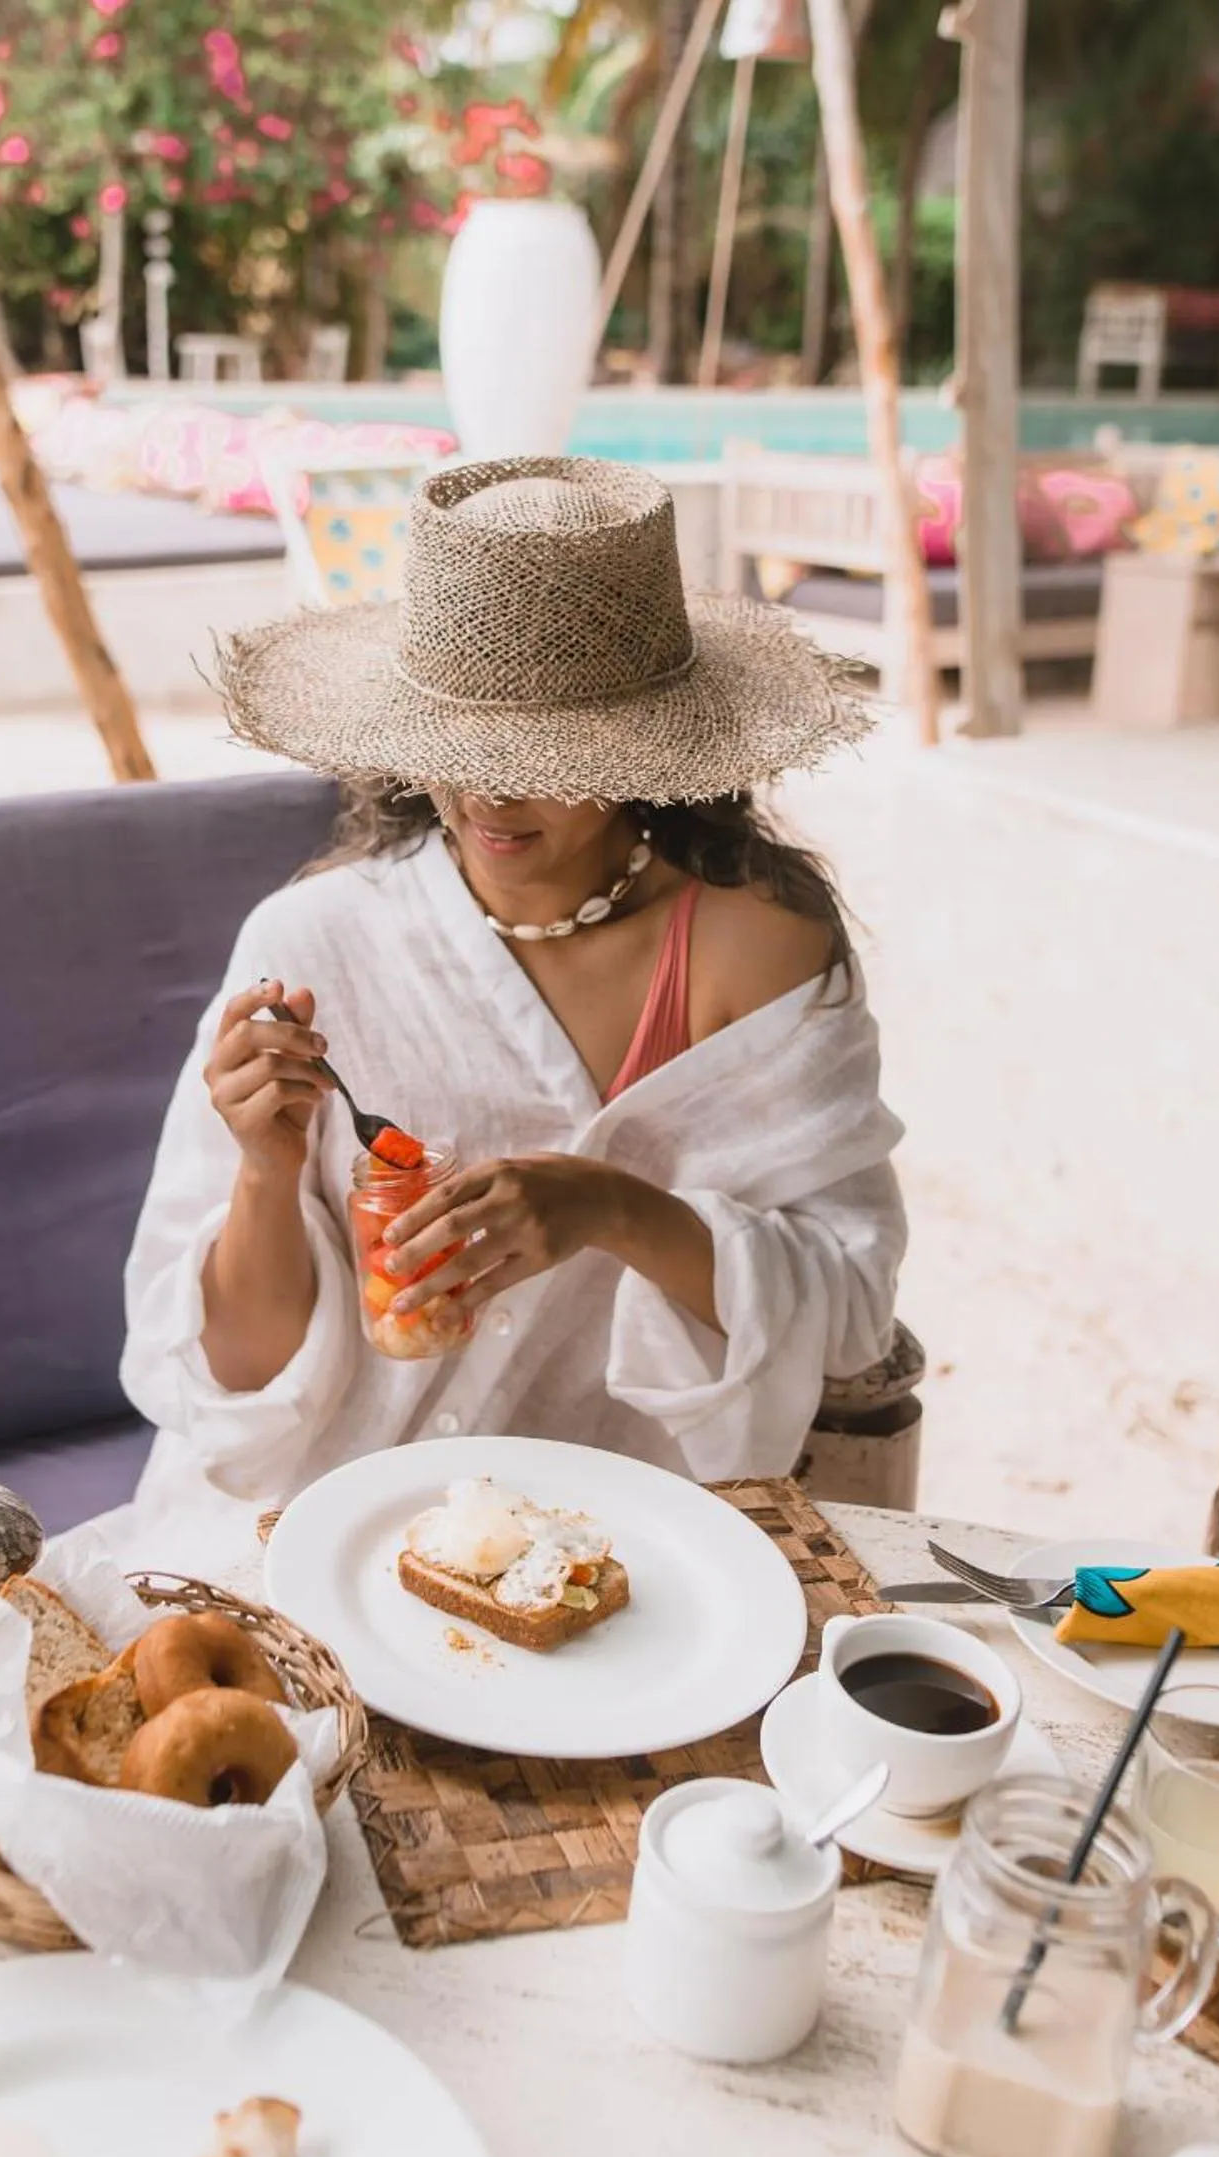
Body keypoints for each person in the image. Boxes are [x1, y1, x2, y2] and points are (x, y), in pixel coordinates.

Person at [115, 456, 906, 1585]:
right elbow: (233, 1386)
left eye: (543, 753)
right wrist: (261, 1170)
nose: (488, 794)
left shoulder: (752, 954)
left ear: (648, 746)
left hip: (597, 1547)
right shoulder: (315, 945)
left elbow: (847, 1307)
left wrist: (610, 1208)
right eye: (460, 745)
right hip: (309, 1528)